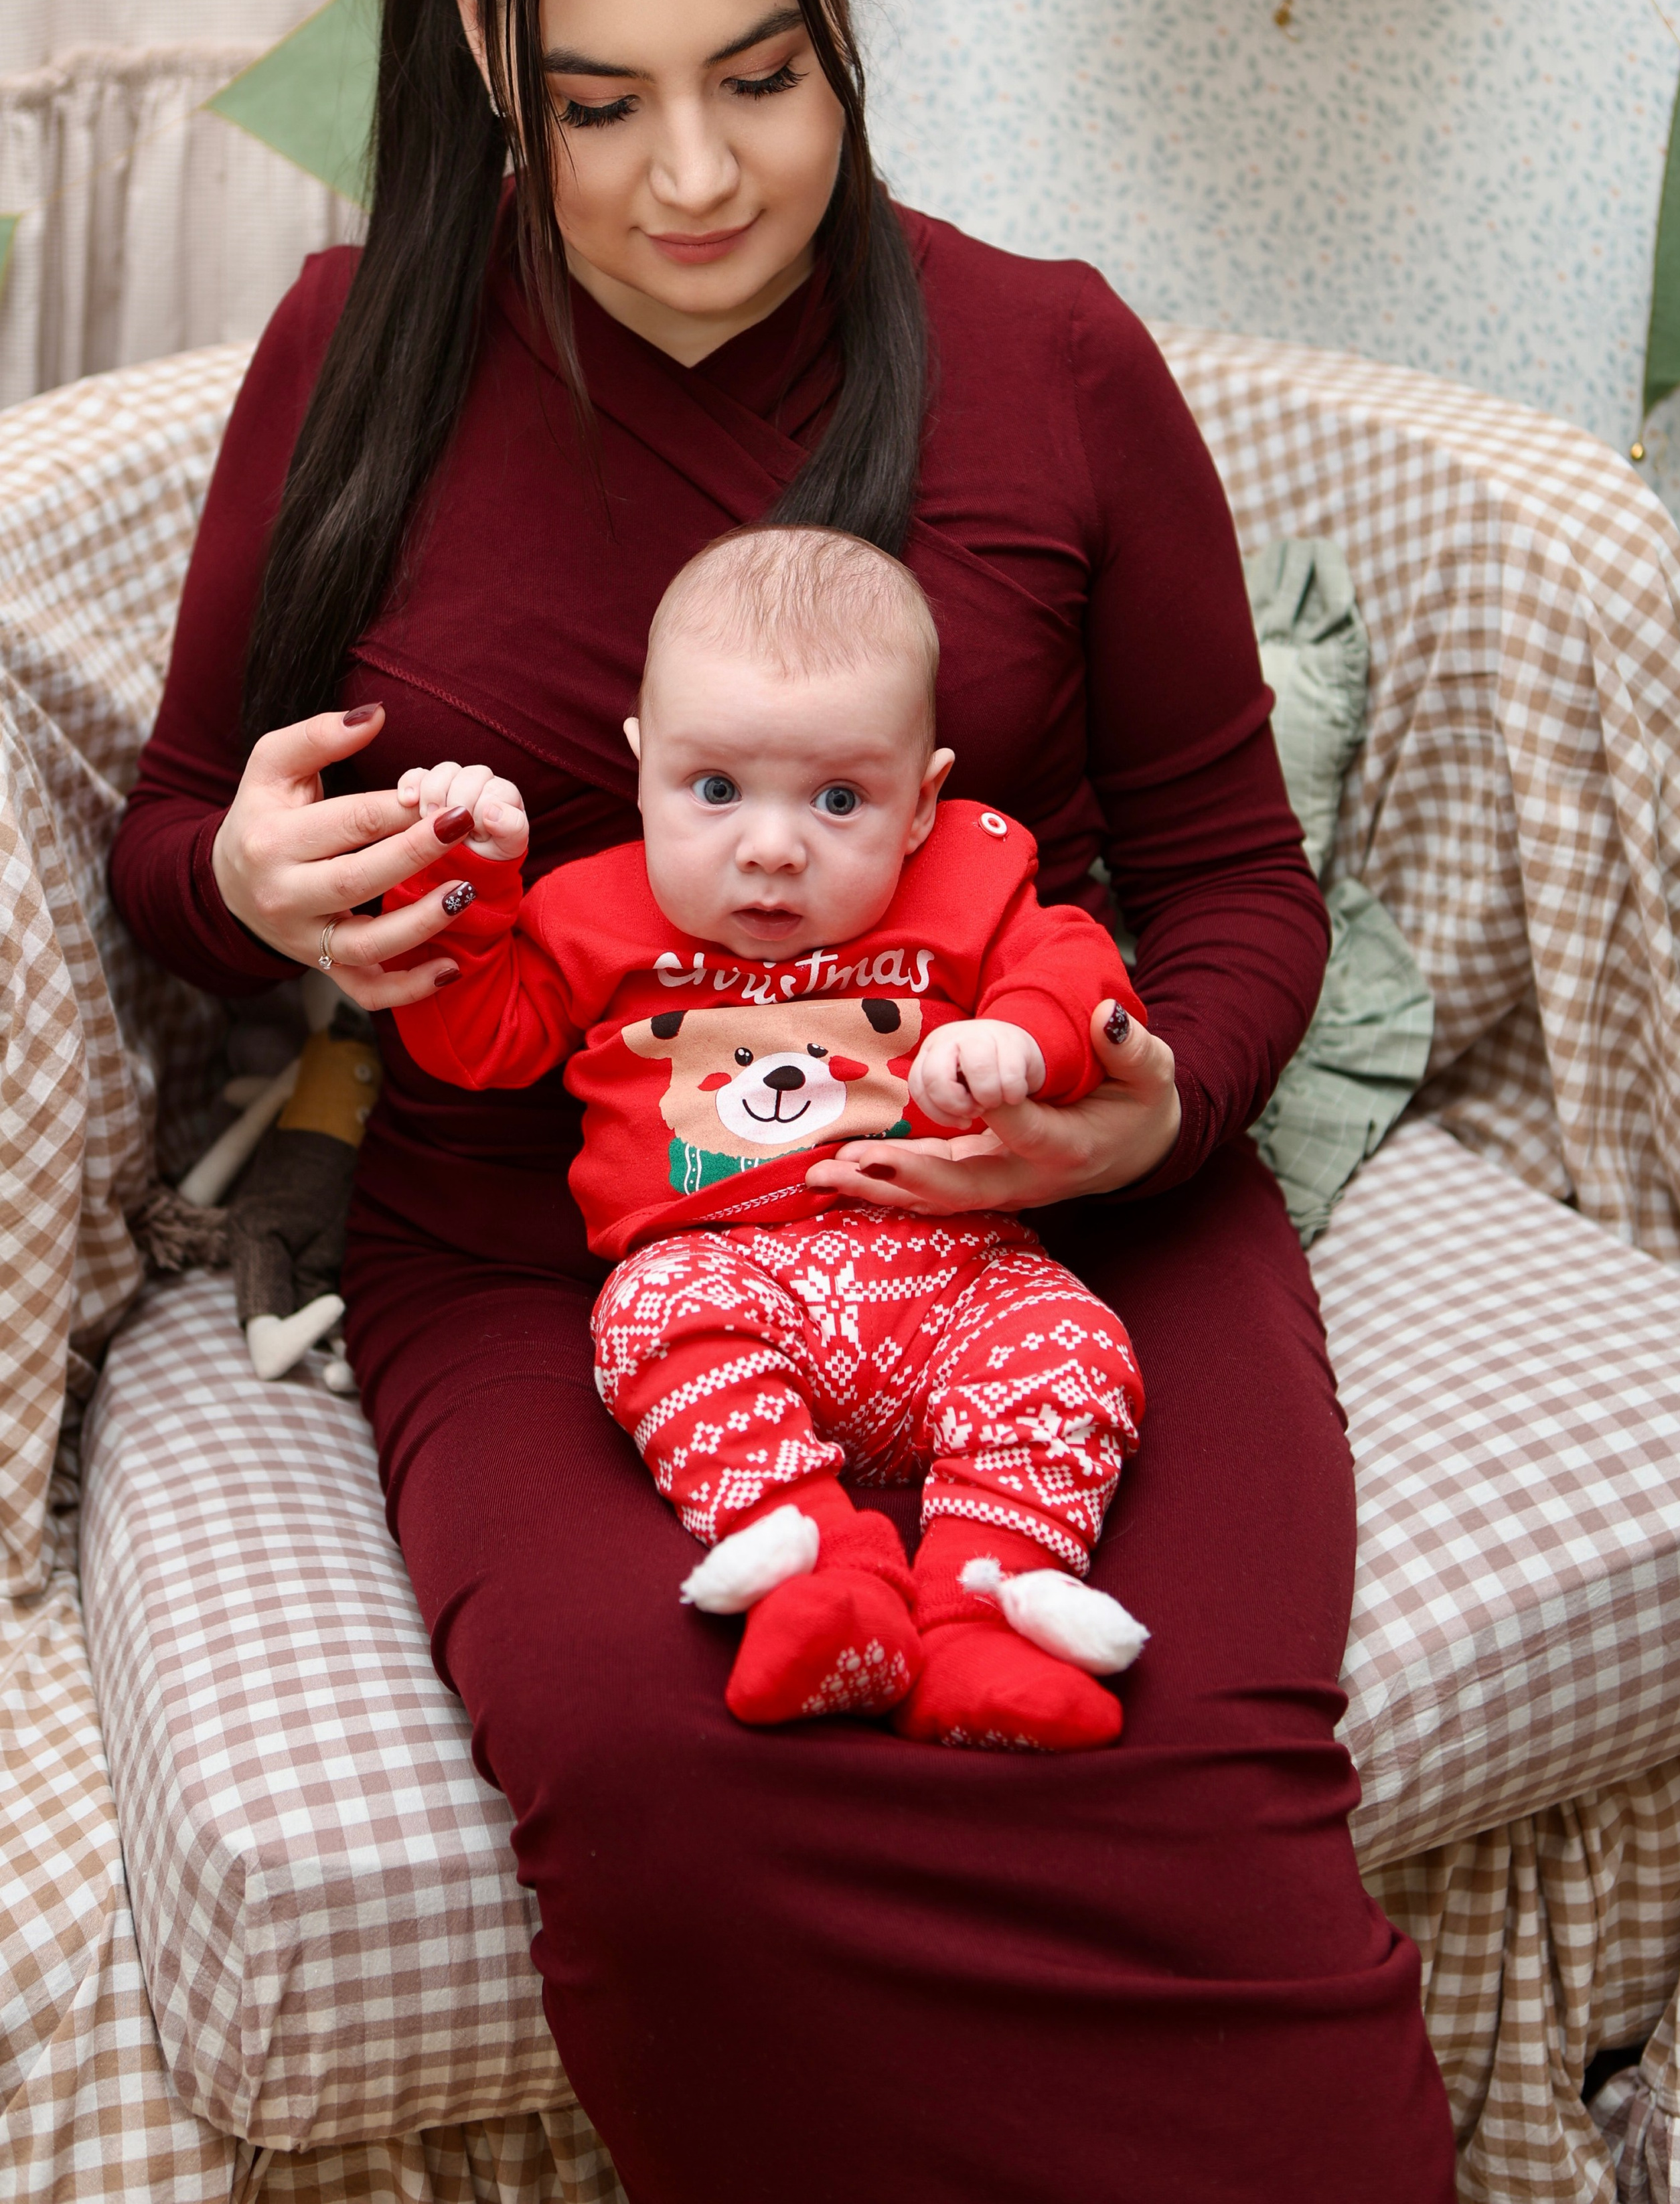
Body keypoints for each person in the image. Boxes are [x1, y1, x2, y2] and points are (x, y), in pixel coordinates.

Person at [108, 0, 1458, 2192]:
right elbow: (179, 844)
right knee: (665, 1773)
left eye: (757, 76)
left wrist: (1148, 1120)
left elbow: (1234, 888)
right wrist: (253, 884)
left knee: (1164, 1739)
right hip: (548, 1258)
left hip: (1048, 1235)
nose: (694, 181)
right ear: (481, 51)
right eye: (600, 103)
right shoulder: (349, 360)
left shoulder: (1055, 368)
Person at [383, 522, 1150, 1751]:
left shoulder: (969, 878)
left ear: (924, 803)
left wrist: (1025, 1037)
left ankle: (987, 1607)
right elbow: (480, 1041)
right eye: (716, 789)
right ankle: (820, 1577)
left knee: (1073, 1340)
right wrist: (462, 884)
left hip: (957, 1275)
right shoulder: (589, 909)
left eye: (841, 799)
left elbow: (1071, 962)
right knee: (641, 1317)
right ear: (640, 769)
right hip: (724, 1281)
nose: (773, 846)